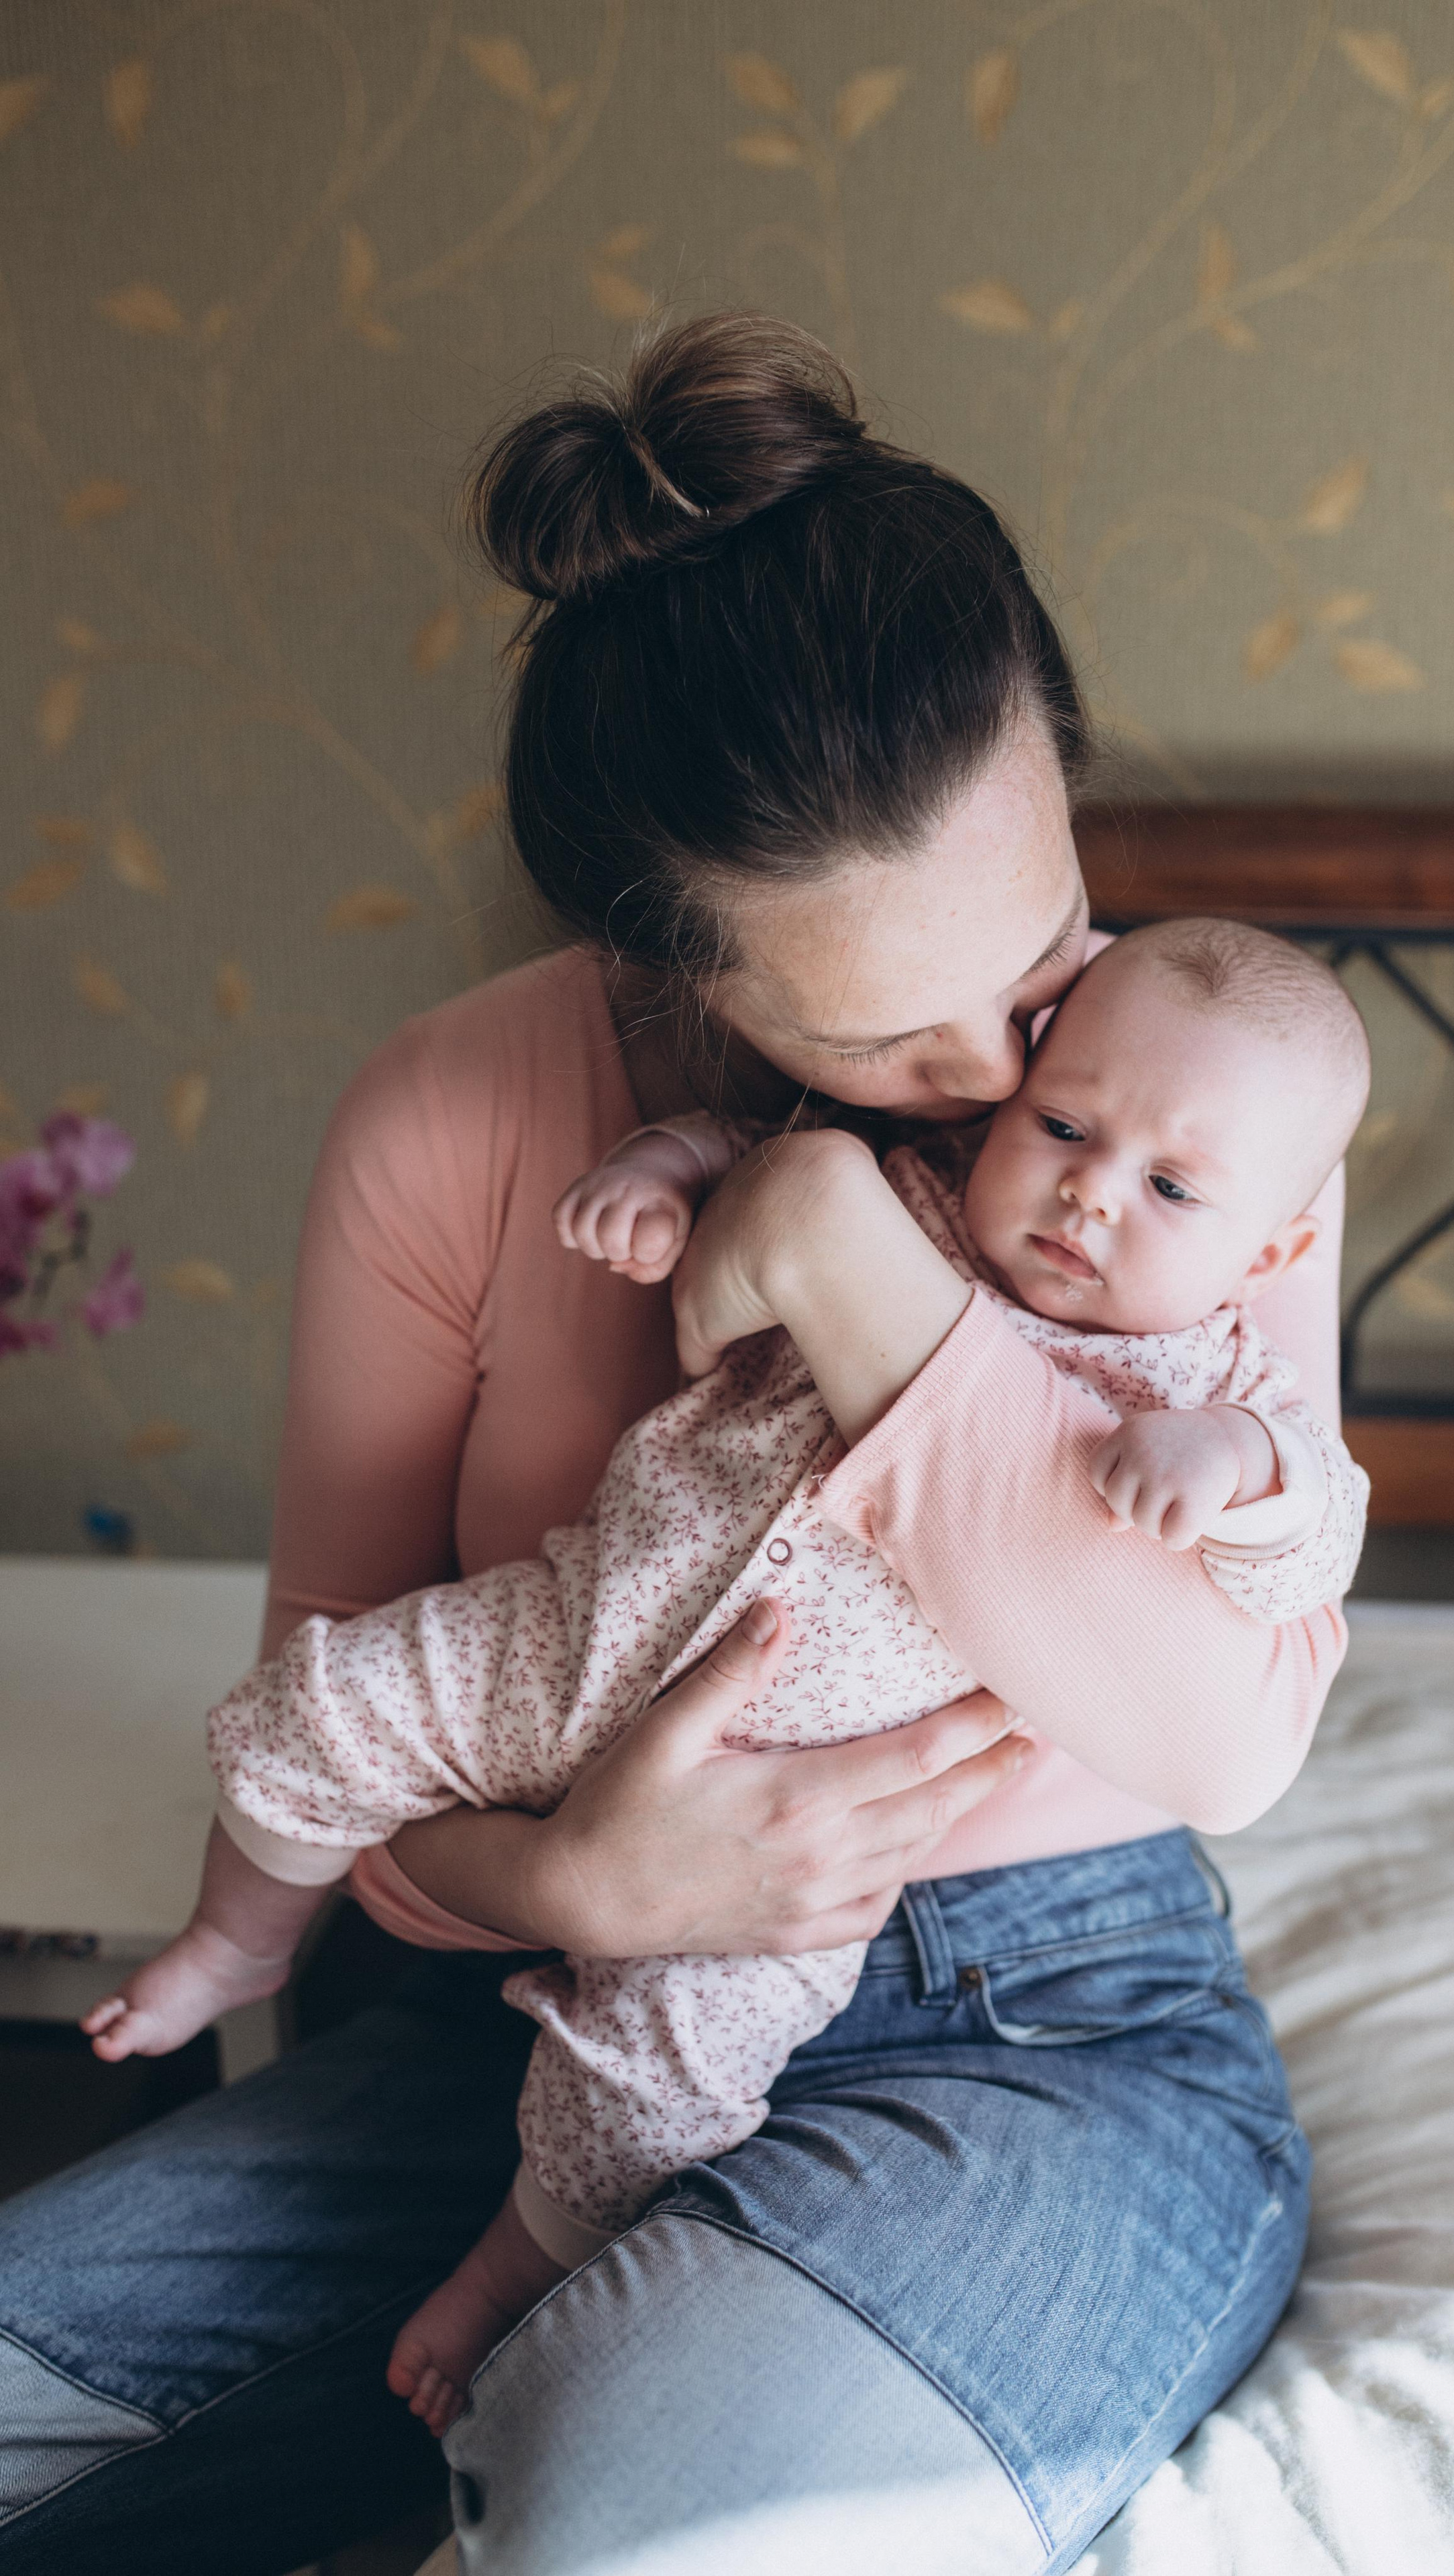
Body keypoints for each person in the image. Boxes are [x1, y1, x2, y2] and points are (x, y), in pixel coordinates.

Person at [0, 316, 1347, 2576]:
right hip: (508, 2025)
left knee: (645, 2520)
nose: (1019, 1077)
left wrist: (844, 1247)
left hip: (1039, 2041)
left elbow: (1222, 1735)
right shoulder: (456, 1118)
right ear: (672, 973)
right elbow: (343, 1709)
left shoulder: (1204, 1097)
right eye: (885, 1040)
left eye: (1034, 969)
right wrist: (576, 1889)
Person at [80, 918, 1371, 2440]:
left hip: (815, 1843)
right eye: (1063, 1128)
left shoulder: (1210, 1377)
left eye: (1166, 1188)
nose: (1090, 1188)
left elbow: (1311, 1540)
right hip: (565, 1642)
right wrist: (664, 1174)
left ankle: (510, 2273)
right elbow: (757, 1146)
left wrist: (1234, 1467)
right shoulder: (921, 1176)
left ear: (1269, 1247)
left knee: (653, 2077)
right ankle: (240, 1941)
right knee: (325, 1702)